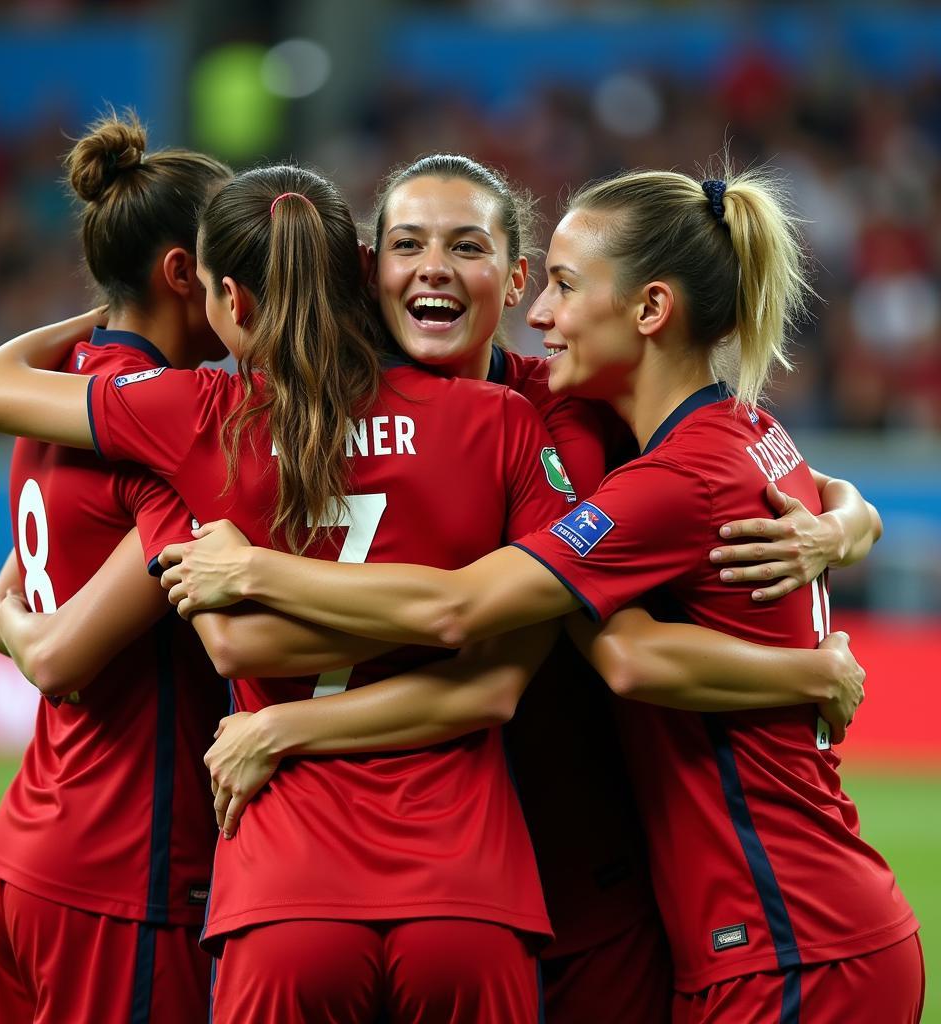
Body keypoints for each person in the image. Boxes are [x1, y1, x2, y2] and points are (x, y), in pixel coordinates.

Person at [157, 166, 922, 1023]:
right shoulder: (309, 407)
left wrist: (836, 568)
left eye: (475, 249)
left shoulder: (569, 411)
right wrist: (848, 528)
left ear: (514, 277)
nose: (544, 314)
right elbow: (788, 484)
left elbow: (518, 629)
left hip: (636, 903)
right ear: (368, 268)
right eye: (407, 245)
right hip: (501, 890)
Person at [0, 162, 578, 1024]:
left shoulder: (204, 414)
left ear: (228, 301)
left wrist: (111, 305)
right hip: (468, 883)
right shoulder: (513, 421)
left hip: (277, 881)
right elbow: (515, 642)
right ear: (362, 268)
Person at [0, 112, 232, 1024]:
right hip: (124, 872)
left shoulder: (63, 387)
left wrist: (112, 303)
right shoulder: (173, 422)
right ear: (186, 275)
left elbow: (15, 590)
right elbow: (64, 656)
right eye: (233, 266)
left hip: (28, 848)